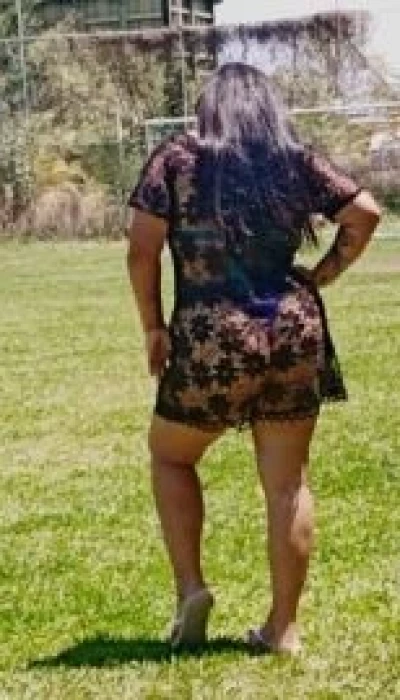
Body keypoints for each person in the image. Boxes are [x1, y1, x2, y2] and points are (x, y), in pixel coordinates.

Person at [126, 63, 380, 655]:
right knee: (288, 483)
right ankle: (282, 629)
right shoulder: (293, 159)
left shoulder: (176, 159)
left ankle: (191, 590)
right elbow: (364, 212)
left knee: (170, 456)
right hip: (292, 328)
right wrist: (325, 272)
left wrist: (153, 327)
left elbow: (141, 250)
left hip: (212, 331)